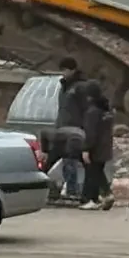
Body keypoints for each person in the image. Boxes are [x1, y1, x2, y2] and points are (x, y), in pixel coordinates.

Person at [47, 57, 88, 204]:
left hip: (76, 130)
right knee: (60, 159)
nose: (62, 73)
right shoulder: (64, 86)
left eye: (64, 70)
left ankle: (73, 192)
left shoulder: (80, 87)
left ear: (72, 70)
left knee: (71, 160)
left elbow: (85, 109)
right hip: (62, 129)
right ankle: (60, 190)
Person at [80, 89, 115, 211]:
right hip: (105, 147)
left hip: (95, 148)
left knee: (93, 173)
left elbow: (91, 133)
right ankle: (102, 196)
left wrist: (86, 149)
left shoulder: (92, 113)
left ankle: (96, 197)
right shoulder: (107, 113)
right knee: (98, 172)